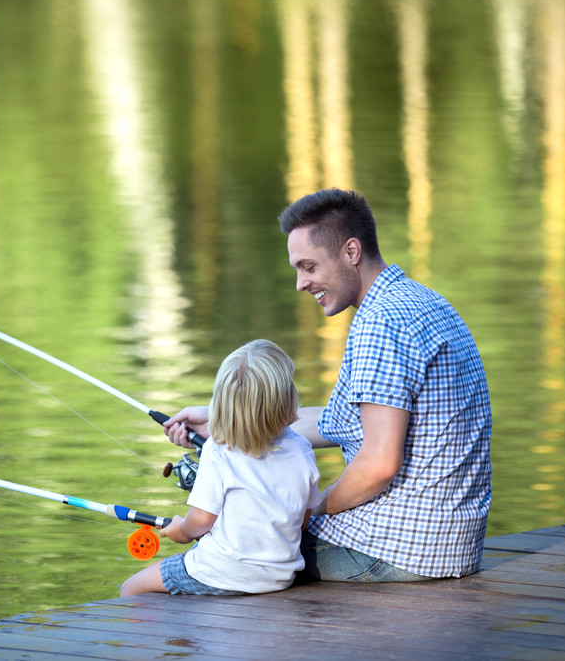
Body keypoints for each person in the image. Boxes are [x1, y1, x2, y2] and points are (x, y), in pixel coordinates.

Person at [164, 188, 491, 582]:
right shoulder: (422, 301)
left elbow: (379, 465)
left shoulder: (381, 324)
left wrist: (314, 509)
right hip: (451, 542)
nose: (301, 284)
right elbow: (337, 422)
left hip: (398, 547)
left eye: (309, 267)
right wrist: (225, 420)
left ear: (351, 252)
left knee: (241, 538)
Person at [120, 339, 321, 597]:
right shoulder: (302, 449)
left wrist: (179, 530)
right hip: (279, 577)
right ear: (289, 398)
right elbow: (301, 521)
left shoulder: (219, 449)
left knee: (131, 589)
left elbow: (200, 522)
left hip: (221, 572)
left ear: (222, 406)